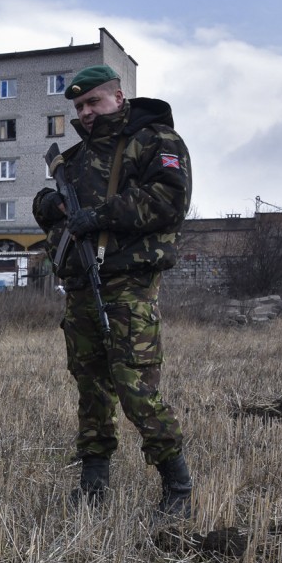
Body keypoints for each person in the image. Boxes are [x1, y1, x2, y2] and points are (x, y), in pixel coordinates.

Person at [32, 65, 194, 516]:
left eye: (93, 102)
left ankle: (177, 486)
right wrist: (46, 204)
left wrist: (101, 215)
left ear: (118, 98)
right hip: (82, 285)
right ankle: (93, 484)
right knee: (91, 388)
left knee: (135, 385)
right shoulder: (78, 158)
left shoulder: (155, 141)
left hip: (128, 284)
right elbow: (58, 210)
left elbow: (169, 199)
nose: (85, 112)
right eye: (79, 106)